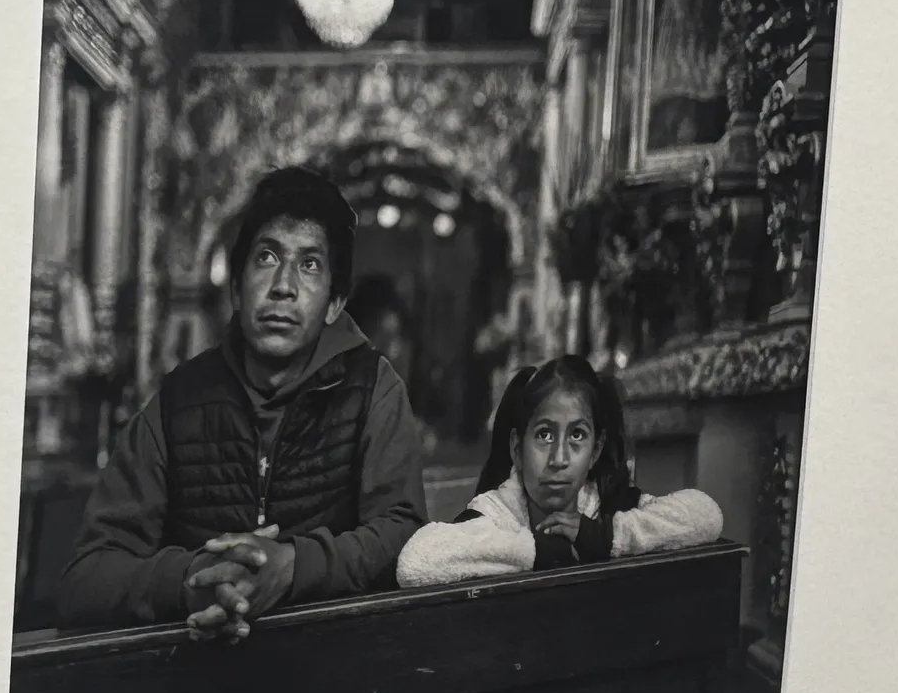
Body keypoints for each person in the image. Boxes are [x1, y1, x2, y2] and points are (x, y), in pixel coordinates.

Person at [58, 167, 426, 638]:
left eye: (310, 264)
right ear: (235, 286)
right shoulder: (178, 403)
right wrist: (199, 581)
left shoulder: (374, 389)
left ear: (335, 303)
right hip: (192, 687)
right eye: (267, 257)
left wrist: (293, 566)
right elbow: (85, 578)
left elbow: (404, 538)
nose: (284, 286)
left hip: (335, 675)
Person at [397, 356, 723, 587]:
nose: (559, 458)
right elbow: (416, 562)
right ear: (516, 449)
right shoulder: (496, 513)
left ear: (595, 450)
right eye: (544, 435)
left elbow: (706, 516)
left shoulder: (605, 507)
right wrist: (538, 550)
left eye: (577, 436)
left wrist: (605, 538)